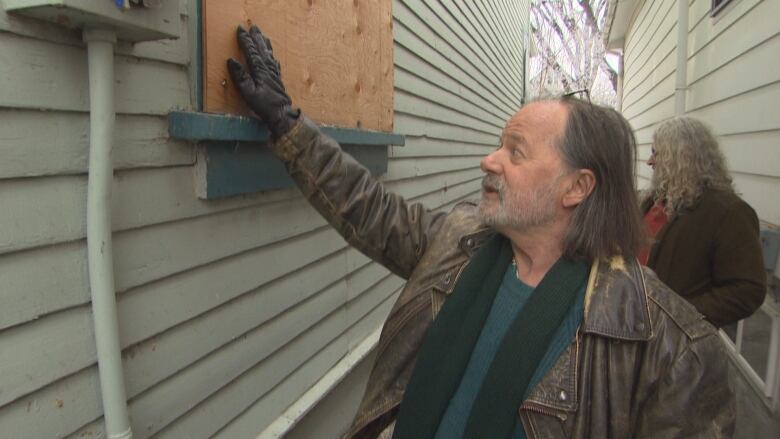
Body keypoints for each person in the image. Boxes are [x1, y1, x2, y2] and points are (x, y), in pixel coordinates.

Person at [227, 25, 735, 439]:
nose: (488, 160)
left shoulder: (669, 348)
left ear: (576, 187)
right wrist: (286, 123)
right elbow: (370, 211)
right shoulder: (459, 242)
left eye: (515, 152)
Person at [640, 117, 766, 328]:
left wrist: (679, 315)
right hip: (633, 330)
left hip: (674, 346)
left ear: (682, 157)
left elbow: (748, 289)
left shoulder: (728, 213)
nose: (650, 161)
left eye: (656, 153)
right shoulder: (654, 200)